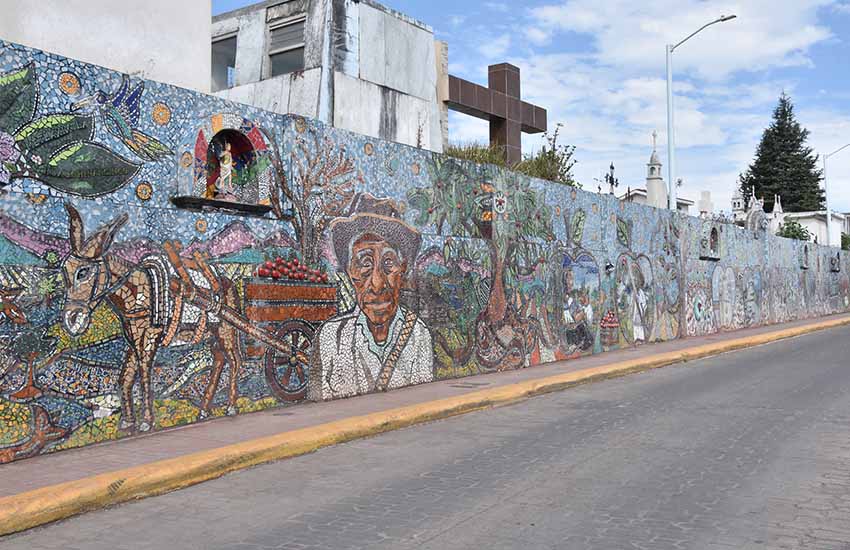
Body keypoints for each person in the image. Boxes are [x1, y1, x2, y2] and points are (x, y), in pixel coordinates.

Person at [309, 194, 433, 400]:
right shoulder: (331, 336)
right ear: (350, 273)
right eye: (365, 264)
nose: (377, 284)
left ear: (403, 271)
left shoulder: (419, 334)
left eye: (389, 264)